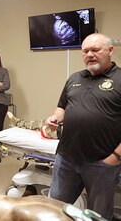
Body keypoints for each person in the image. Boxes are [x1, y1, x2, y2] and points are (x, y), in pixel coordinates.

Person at [46, 33, 121, 220]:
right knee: (54, 209)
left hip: (101, 163)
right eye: (85, 51)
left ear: (110, 50)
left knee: (98, 216)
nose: (90, 54)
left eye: (95, 50)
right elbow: (62, 107)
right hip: (66, 159)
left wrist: (115, 157)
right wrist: (55, 118)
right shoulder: (74, 78)